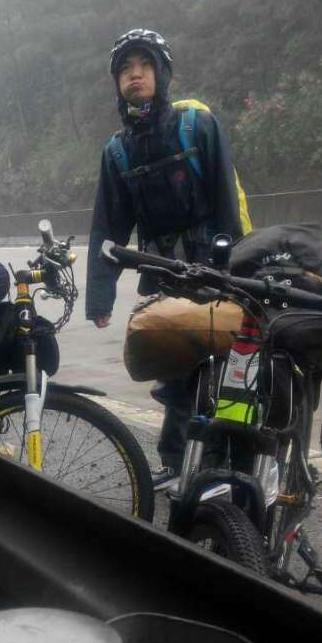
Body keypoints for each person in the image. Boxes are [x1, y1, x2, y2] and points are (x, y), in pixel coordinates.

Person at [86, 28, 251, 491]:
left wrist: (235, 270)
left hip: (214, 265)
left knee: (226, 369)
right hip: (163, 274)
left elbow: (225, 200)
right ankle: (177, 463)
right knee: (176, 370)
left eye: (144, 65)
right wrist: (99, 297)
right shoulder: (117, 151)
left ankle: (229, 462)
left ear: (162, 74)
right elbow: (107, 227)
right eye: (125, 69)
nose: (135, 75)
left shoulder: (196, 126)